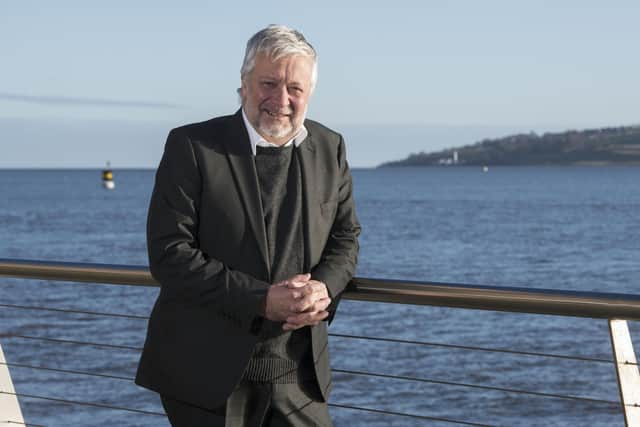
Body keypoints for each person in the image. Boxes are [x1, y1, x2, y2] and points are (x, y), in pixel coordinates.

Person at [135, 25, 361, 426]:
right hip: (206, 380)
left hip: (300, 379)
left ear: (310, 91)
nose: (282, 99)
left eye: (295, 88)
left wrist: (324, 287)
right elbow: (169, 254)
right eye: (269, 83)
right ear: (243, 84)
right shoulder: (192, 146)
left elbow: (346, 236)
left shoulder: (331, 146)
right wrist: (261, 299)